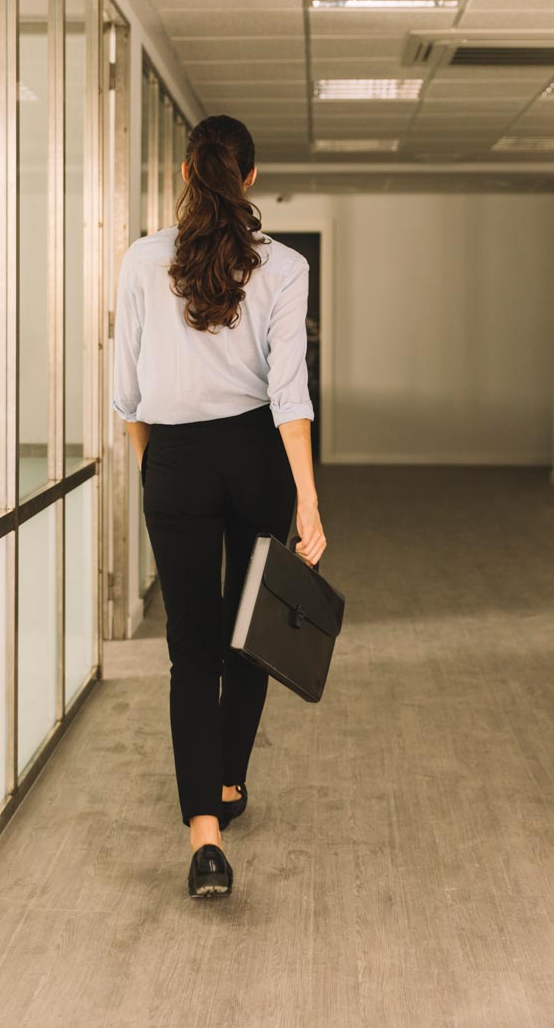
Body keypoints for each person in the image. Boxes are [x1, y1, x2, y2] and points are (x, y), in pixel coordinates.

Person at [112, 113, 326, 899]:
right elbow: (288, 395)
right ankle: (229, 779)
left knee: (190, 649)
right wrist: (307, 498)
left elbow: (126, 393)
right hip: (255, 456)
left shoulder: (141, 261)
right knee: (251, 631)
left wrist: (161, 472)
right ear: (249, 181)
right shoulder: (284, 266)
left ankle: (205, 836)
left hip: (173, 457)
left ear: (183, 173)